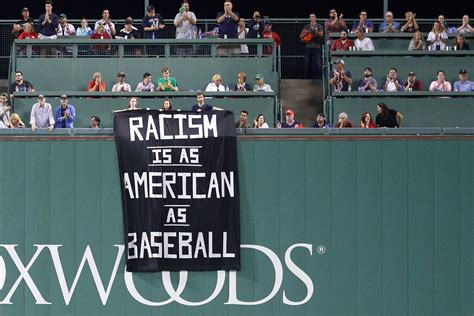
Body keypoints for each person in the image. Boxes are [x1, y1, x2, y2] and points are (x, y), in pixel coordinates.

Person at [300, 13, 324, 79]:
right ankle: (306, 79)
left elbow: (321, 35)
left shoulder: (319, 26)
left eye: (313, 16)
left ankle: (319, 79)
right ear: (309, 18)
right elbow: (301, 36)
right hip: (308, 47)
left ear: (316, 18)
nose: (312, 18)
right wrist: (307, 32)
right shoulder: (306, 27)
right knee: (307, 64)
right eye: (310, 17)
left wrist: (316, 32)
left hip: (317, 47)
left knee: (318, 64)